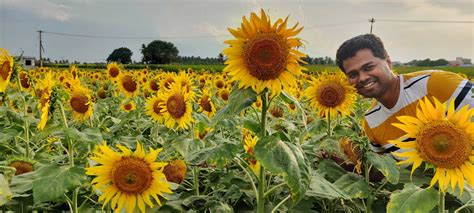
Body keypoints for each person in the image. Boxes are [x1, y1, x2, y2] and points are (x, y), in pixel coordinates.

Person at [335, 34, 473, 159]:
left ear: (388, 62)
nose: (363, 78)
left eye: (368, 67)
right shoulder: (371, 122)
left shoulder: (434, 84)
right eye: (353, 75)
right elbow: (390, 174)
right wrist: (343, 163)